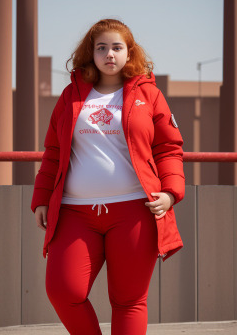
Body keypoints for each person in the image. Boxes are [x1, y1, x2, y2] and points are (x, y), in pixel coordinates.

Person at [31, 18, 185, 335]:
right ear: (92, 53)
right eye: (102, 47)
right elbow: (53, 152)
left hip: (134, 210)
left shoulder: (150, 95)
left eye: (117, 47)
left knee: (129, 301)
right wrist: (42, 199)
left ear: (129, 53)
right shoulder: (70, 96)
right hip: (74, 212)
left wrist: (170, 194)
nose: (109, 54)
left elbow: (169, 148)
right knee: (63, 291)